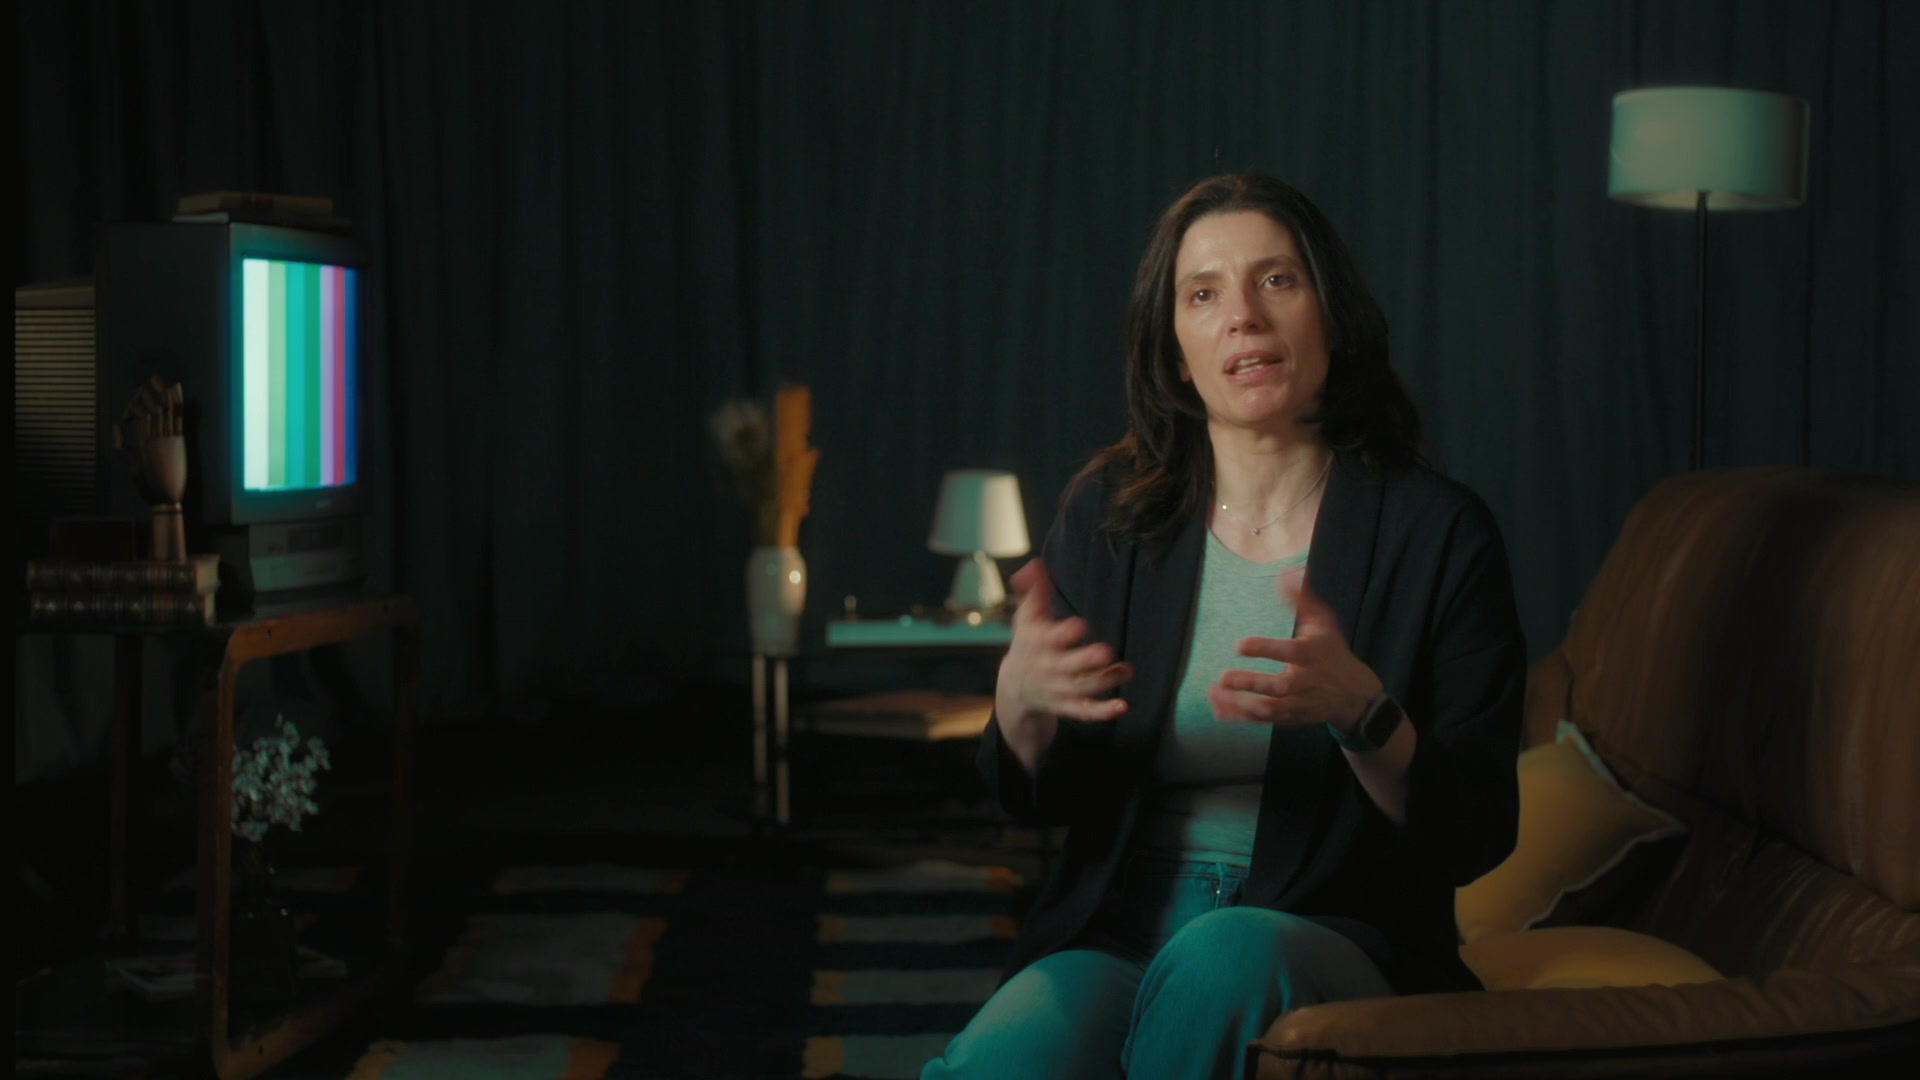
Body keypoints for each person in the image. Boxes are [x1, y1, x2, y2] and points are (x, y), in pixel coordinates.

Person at [922, 173, 1527, 1080]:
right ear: (1175, 352)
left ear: (1331, 316)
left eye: (1277, 280)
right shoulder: (1112, 517)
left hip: (1331, 931)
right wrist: (1021, 709)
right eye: (1203, 294)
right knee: (1008, 1058)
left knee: (1222, 962)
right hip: (1119, 928)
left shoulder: (1440, 531)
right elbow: (1036, 800)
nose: (1242, 315)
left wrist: (1366, 717)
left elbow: (1475, 832)